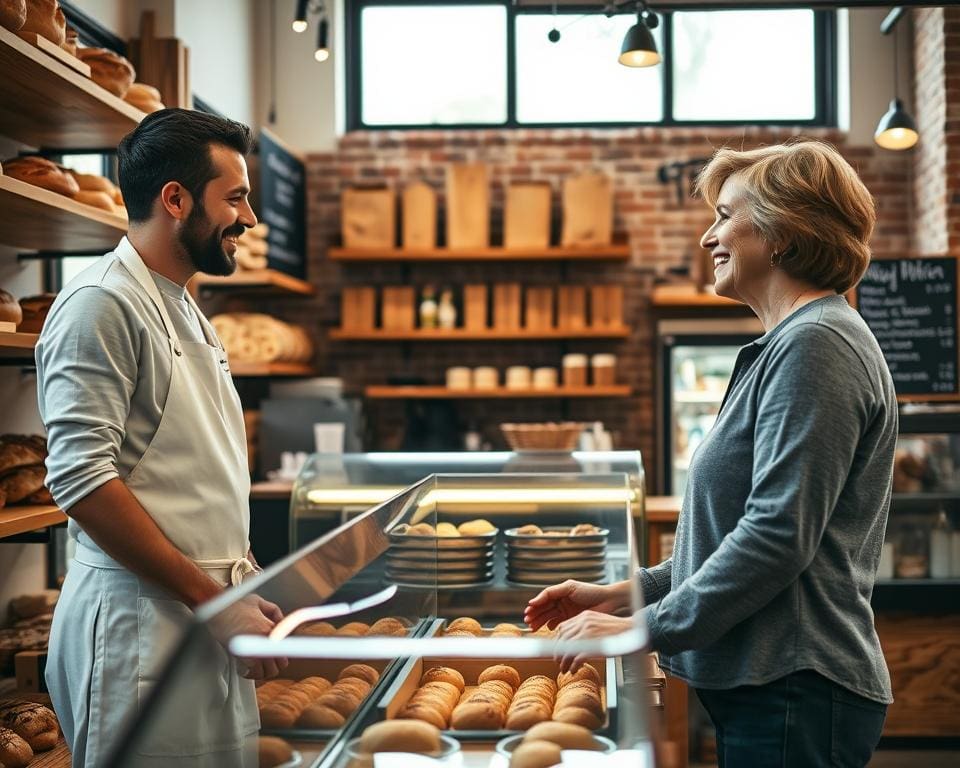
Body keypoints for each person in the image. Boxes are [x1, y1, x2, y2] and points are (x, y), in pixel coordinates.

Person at [526, 140, 896, 768]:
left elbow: (778, 536)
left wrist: (638, 630)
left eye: (725, 215)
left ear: (781, 231)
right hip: (774, 686)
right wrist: (624, 594)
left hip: (795, 688)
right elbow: (730, 535)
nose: (708, 238)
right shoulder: (796, 342)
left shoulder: (817, 345)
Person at [37, 109, 287, 767]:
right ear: (175, 199)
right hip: (139, 627)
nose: (250, 219)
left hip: (194, 614)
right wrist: (214, 599)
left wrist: (239, 581)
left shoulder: (181, 304)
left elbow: (187, 473)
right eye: (235, 197)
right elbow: (82, 481)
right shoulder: (100, 302)